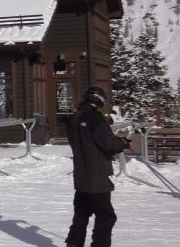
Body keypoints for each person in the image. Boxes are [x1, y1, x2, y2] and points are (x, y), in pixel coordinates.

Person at [65, 86, 130, 247]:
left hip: (81, 175)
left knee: (81, 214)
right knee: (106, 216)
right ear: (99, 101)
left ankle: (73, 244)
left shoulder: (74, 118)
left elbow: (87, 136)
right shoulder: (96, 119)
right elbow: (109, 145)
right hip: (98, 177)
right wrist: (121, 143)